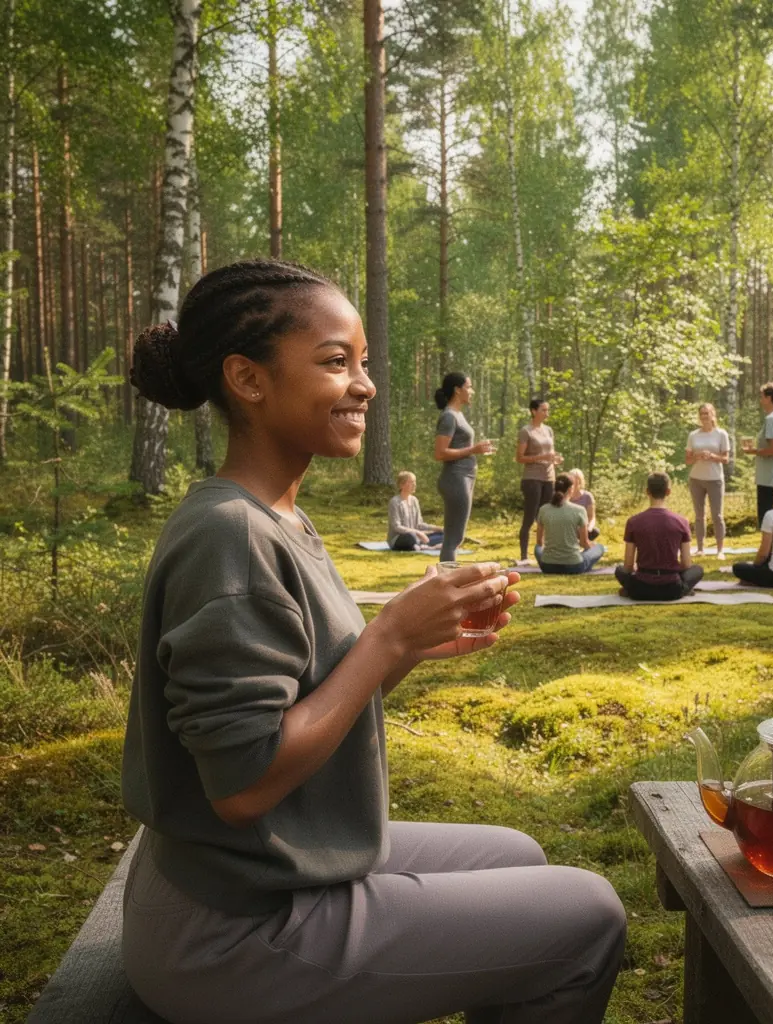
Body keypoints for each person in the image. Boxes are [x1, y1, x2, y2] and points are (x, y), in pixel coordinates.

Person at [120, 259, 625, 1024]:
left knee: (518, 853)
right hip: (230, 928)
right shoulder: (229, 535)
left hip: (244, 873)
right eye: (336, 362)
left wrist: (408, 648)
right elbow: (241, 787)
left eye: (364, 363)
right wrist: (386, 639)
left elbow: (304, 697)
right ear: (248, 379)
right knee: (590, 914)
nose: (366, 387)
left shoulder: (277, 516)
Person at [615, 472, 704, 601]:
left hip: (640, 589)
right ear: (668, 492)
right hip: (672, 589)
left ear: (647, 491)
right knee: (698, 570)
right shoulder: (682, 521)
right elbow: (686, 564)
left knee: (619, 570)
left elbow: (628, 566)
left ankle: (629, 589)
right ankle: (685, 588)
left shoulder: (633, 522)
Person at [434, 372, 494, 562]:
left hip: (464, 478)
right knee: (453, 538)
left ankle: (448, 574)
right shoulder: (449, 417)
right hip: (455, 479)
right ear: (457, 390)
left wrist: (475, 450)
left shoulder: (458, 415)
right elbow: (440, 453)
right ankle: (448, 576)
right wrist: (473, 449)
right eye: (469, 387)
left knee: (455, 537)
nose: (472, 391)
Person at [516, 398, 562, 562]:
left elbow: (551, 453)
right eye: (543, 410)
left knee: (547, 517)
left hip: (549, 477)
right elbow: (519, 458)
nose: (547, 413)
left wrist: (555, 460)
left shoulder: (549, 430)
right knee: (530, 518)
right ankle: (523, 556)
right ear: (533, 411)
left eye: (547, 410)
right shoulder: (526, 431)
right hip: (532, 478)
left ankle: (547, 554)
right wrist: (542, 457)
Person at [742, 381, 773, 528]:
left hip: (769, 480)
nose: (760, 400)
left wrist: (753, 451)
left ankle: (769, 544)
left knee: (768, 522)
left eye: (762, 396)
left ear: (769, 398)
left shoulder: (772, 419)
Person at [535, 474, 606, 574]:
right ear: (570, 489)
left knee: (537, 548)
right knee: (600, 547)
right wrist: (592, 547)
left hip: (548, 566)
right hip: (573, 566)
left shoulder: (543, 509)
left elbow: (539, 542)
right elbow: (584, 543)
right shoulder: (579, 510)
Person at [685, 403, 730, 558]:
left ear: (713, 415)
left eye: (707, 413)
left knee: (717, 515)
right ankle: (700, 549)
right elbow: (688, 460)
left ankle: (720, 550)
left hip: (715, 479)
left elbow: (726, 459)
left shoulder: (721, 434)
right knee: (699, 516)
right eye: (702, 414)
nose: (704, 416)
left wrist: (712, 456)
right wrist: (697, 456)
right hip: (696, 479)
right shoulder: (693, 435)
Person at [388, 471, 443, 551]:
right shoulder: (395, 502)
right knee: (411, 537)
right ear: (401, 485)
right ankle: (424, 546)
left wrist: (438, 528)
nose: (414, 485)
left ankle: (423, 546)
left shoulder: (414, 500)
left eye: (415, 482)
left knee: (444, 534)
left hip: (418, 536)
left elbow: (420, 524)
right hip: (401, 538)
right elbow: (396, 527)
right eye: (411, 482)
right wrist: (417, 532)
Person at [567, 468, 599, 540]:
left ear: (580, 481)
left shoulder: (587, 496)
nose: (574, 482)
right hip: (568, 528)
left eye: (577, 479)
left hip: (583, 528)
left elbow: (591, 517)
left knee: (595, 531)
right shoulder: (565, 496)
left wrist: (589, 528)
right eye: (572, 479)